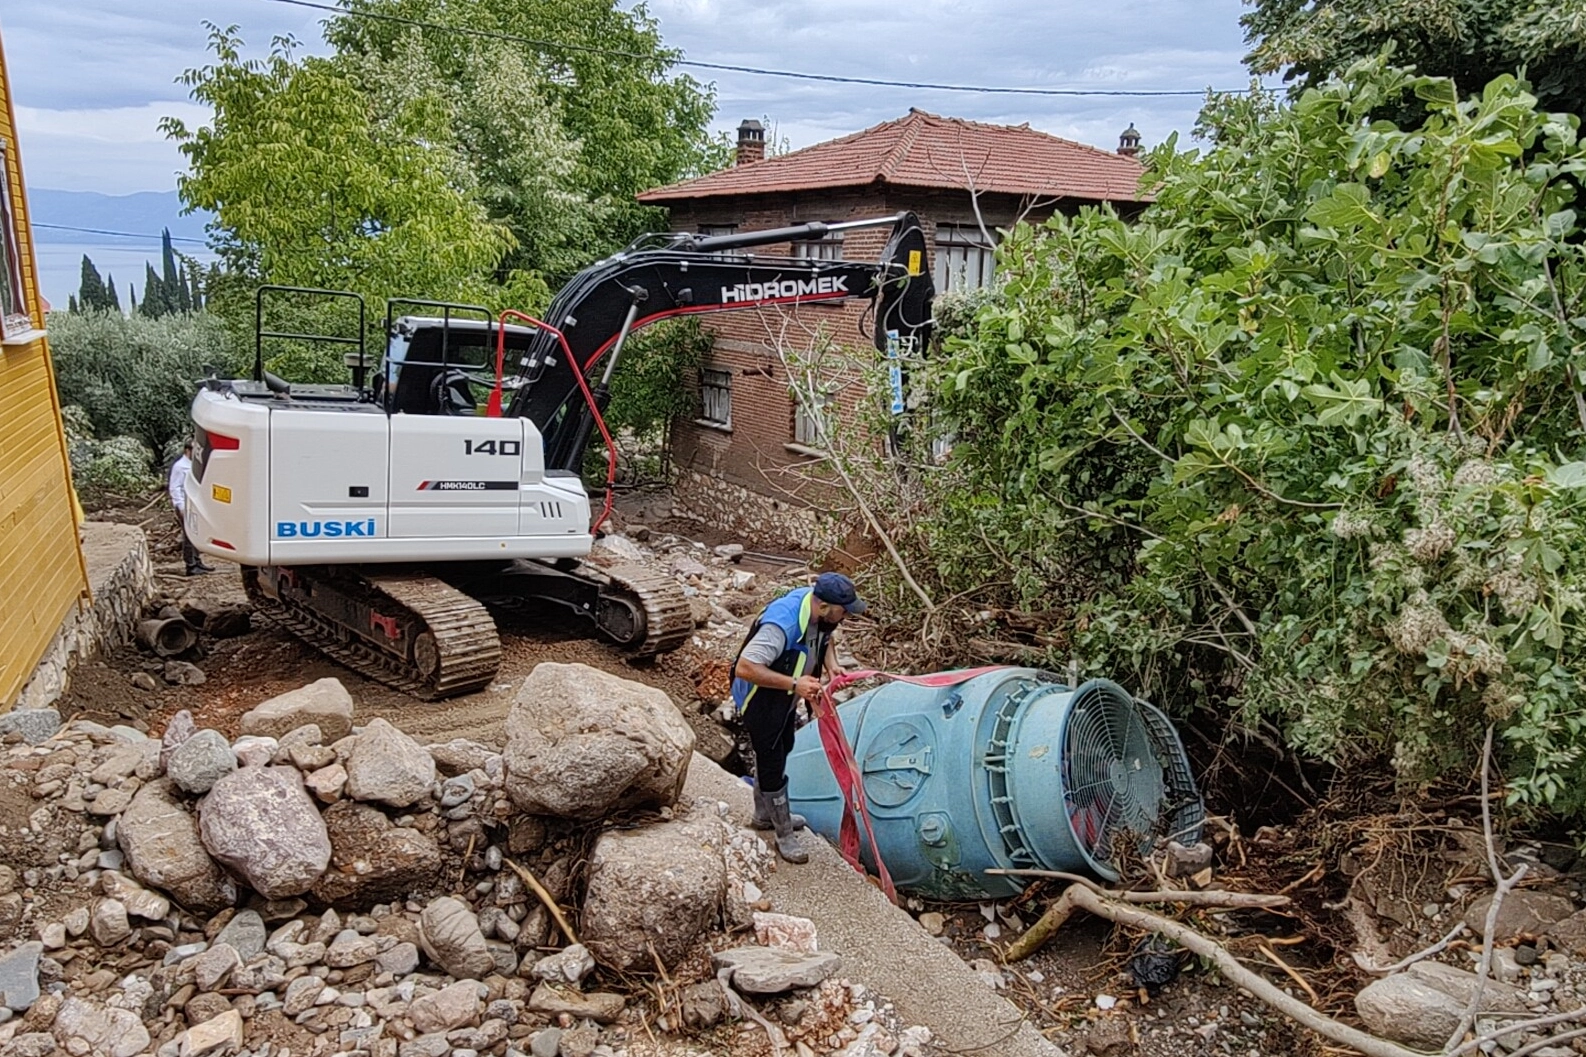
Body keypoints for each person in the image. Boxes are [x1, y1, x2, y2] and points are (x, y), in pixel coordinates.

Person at [731, 571, 867, 863]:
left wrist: (833, 666)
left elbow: (826, 638)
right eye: (843, 611)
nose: (845, 617)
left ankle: (763, 813)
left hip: (786, 694)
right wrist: (795, 685)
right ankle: (783, 834)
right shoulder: (783, 624)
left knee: (783, 746)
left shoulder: (820, 613)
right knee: (772, 761)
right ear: (824, 606)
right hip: (761, 698)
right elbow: (745, 666)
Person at [169, 442, 213, 577]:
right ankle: (191, 565)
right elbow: (175, 488)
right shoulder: (179, 467)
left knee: (195, 535)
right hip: (184, 506)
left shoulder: (193, 466)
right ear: (188, 450)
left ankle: (198, 561)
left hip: (195, 505)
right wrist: (180, 506)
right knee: (188, 536)